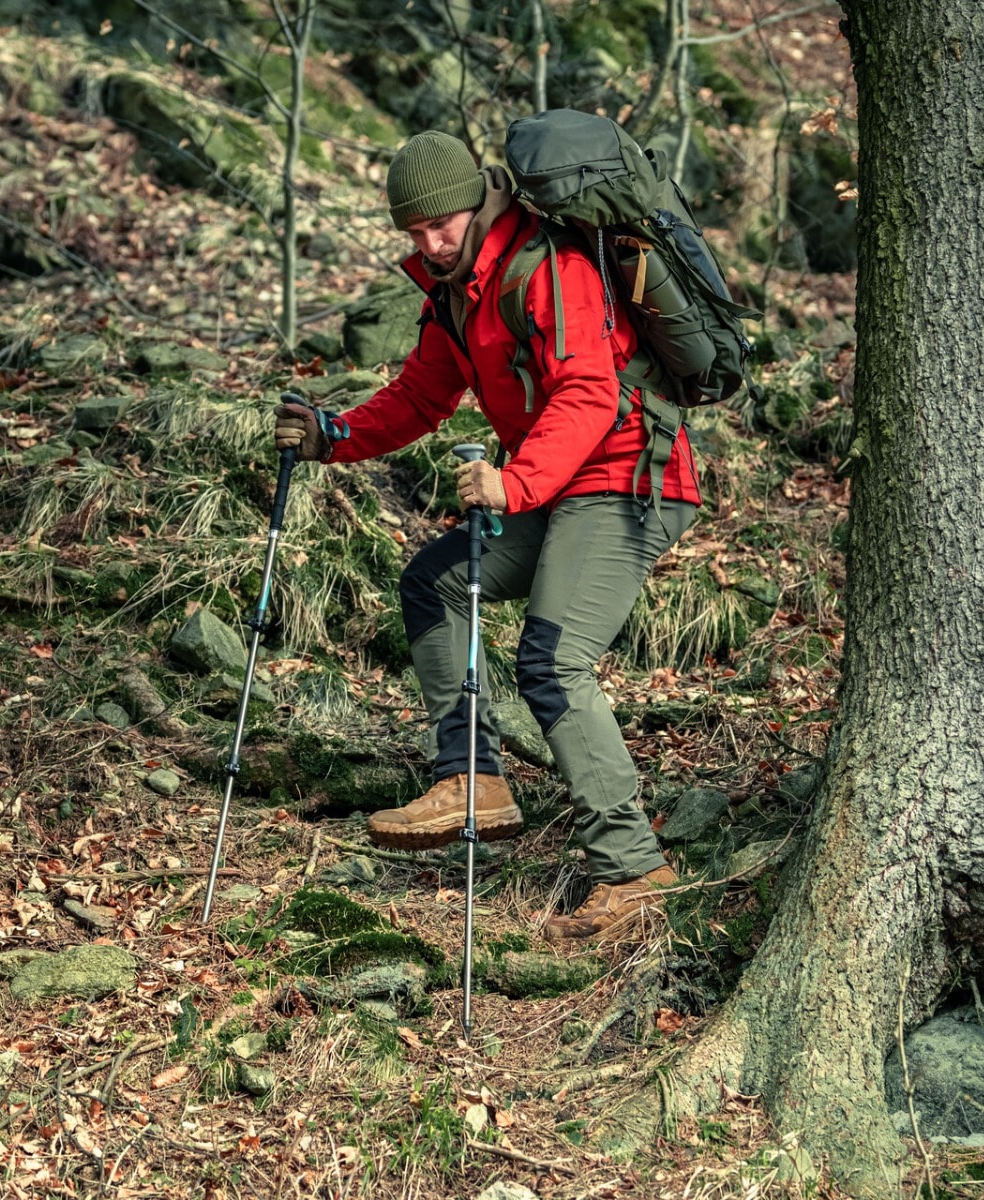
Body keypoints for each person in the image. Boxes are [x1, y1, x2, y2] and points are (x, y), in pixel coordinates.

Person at [274, 131, 702, 940]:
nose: (429, 242)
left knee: (552, 656)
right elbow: (418, 397)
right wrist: (333, 435)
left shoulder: (547, 267)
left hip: (627, 474)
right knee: (434, 581)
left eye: (442, 223)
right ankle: (473, 778)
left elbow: (588, 392)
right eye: (414, 231)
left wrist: (514, 483)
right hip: (560, 480)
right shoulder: (458, 294)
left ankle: (635, 871)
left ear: (478, 203)